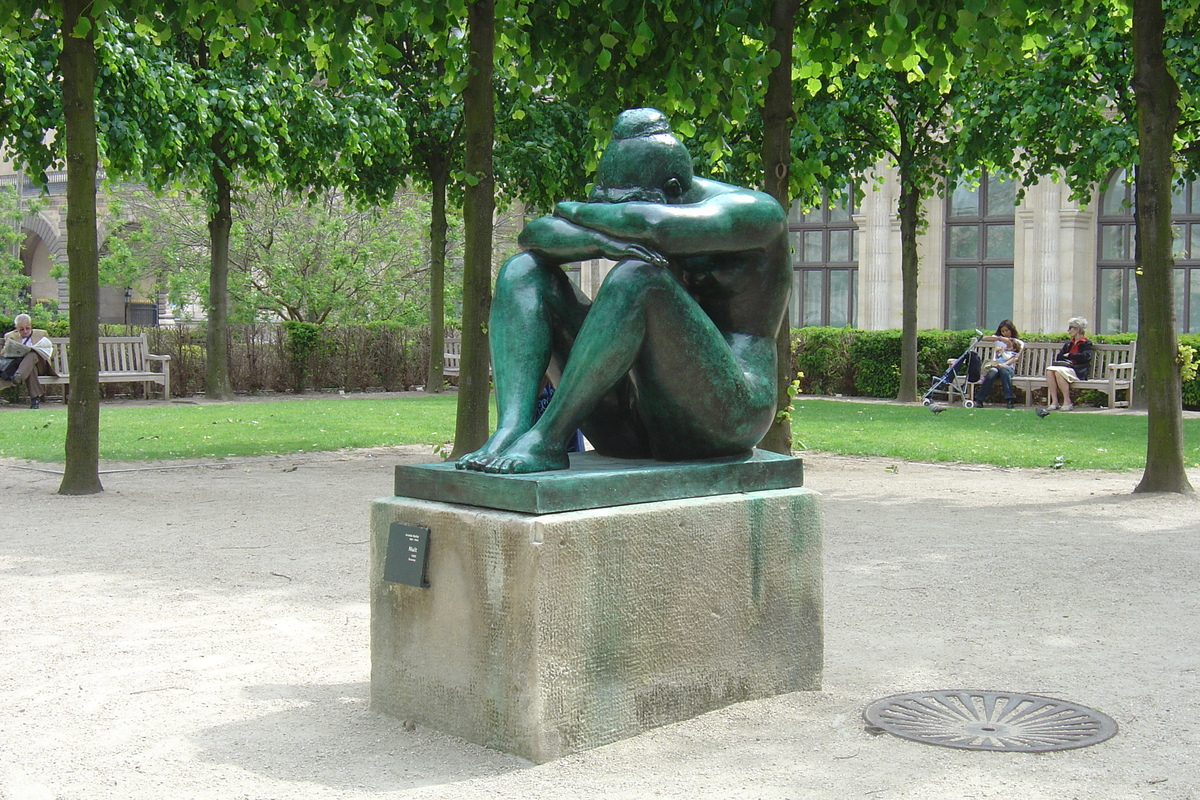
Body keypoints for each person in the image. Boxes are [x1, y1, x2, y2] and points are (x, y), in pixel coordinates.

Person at [456, 108, 789, 474]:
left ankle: (548, 439)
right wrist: (600, 239)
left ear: (674, 190)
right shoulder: (624, 210)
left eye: (625, 205)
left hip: (725, 418)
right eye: (607, 204)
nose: (614, 216)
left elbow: (656, 227)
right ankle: (513, 430)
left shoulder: (756, 214)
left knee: (639, 278)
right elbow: (534, 235)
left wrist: (576, 211)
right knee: (522, 270)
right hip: (630, 422)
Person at [2, 313, 56, 409]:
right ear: (16, 328)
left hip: (41, 365)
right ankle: (34, 399)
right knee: (30, 368)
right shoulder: (10, 336)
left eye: (27, 328)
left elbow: (53, 352)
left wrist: (44, 350)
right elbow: (4, 354)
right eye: (21, 329)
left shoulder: (41, 334)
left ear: (31, 325)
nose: (25, 331)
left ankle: (19, 376)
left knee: (32, 354)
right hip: (23, 367)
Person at [1045, 316, 1093, 411]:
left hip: (1078, 370)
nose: (1068, 330)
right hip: (1066, 368)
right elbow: (1060, 356)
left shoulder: (1086, 343)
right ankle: (1054, 402)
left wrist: (1070, 355)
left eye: (1070, 328)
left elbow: (1085, 357)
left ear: (1077, 329)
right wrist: (1068, 356)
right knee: (1049, 371)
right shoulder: (1068, 343)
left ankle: (1067, 402)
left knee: (1059, 372)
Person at [974, 319, 1023, 409]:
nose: (1005, 333)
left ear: (1011, 330)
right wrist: (1000, 338)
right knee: (992, 371)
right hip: (995, 366)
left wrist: (1004, 364)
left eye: (1007, 330)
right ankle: (979, 399)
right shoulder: (998, 340)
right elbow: (984, 338)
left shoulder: (1018, 342)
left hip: (1008, 368)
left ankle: (1009, 399)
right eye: (1002, 331)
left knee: (1003, 369)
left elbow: (1015, 358)